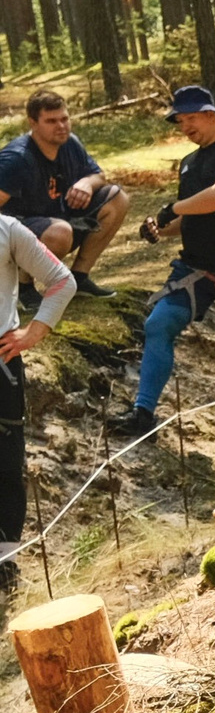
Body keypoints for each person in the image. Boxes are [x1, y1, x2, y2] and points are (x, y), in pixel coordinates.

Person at [108, 86, 215, 441]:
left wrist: (172, 209)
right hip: (196, 268)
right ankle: (143, 413)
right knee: (159, 324)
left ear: (212, 114)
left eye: (191, 118)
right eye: (181, 121)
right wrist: (161, 228)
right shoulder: (190, 163)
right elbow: (192, 215)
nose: (185, 126)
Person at [0, 209, 71, 602]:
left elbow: (61, 280)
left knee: (7, 470)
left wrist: (37, 328)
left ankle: (5, 562)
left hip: (2, 364)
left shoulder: (7, 229)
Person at [0, 90, 126, 299]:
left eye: (64, 119)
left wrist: (86, 183)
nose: (61, 126)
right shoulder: (17, 159)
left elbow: (99, 176)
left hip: (58, 218)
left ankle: (79, 278)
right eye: (51, 121)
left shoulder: (70, 144)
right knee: (60, 232)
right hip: (18, 234)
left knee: (117, 198)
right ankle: (22, 287)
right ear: (33, 123)